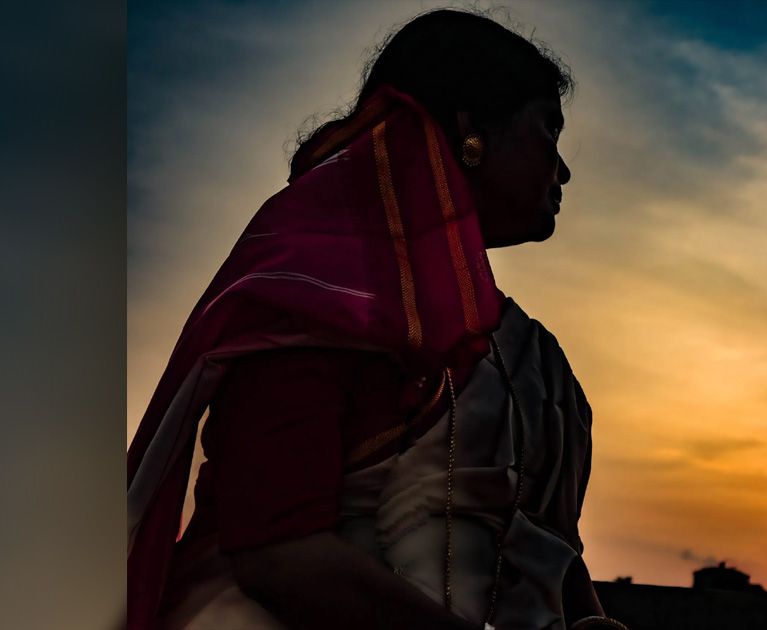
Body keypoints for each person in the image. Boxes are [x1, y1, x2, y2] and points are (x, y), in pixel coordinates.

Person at [127, 9, 626, 630]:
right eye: (547, 133)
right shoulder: (317, 298)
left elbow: (549, 547)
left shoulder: (534, 356)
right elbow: (278, 554)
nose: (564, 166)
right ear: (471, 128)